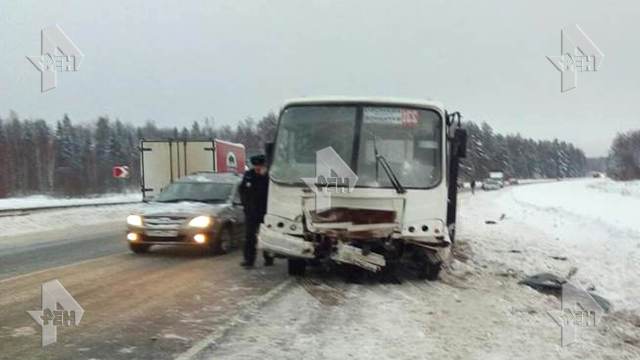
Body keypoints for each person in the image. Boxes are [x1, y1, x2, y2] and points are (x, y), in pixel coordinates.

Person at [238, 154, 274, 268]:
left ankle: (269, 257)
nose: (257, 168)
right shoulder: (249, 175)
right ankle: (249, 260)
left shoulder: (269, 176)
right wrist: (245, 205)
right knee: (249, 237)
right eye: (256, 165)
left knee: (267, 235)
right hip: (251, 211)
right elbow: (242, 190)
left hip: (266, 211)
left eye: (260, 165)